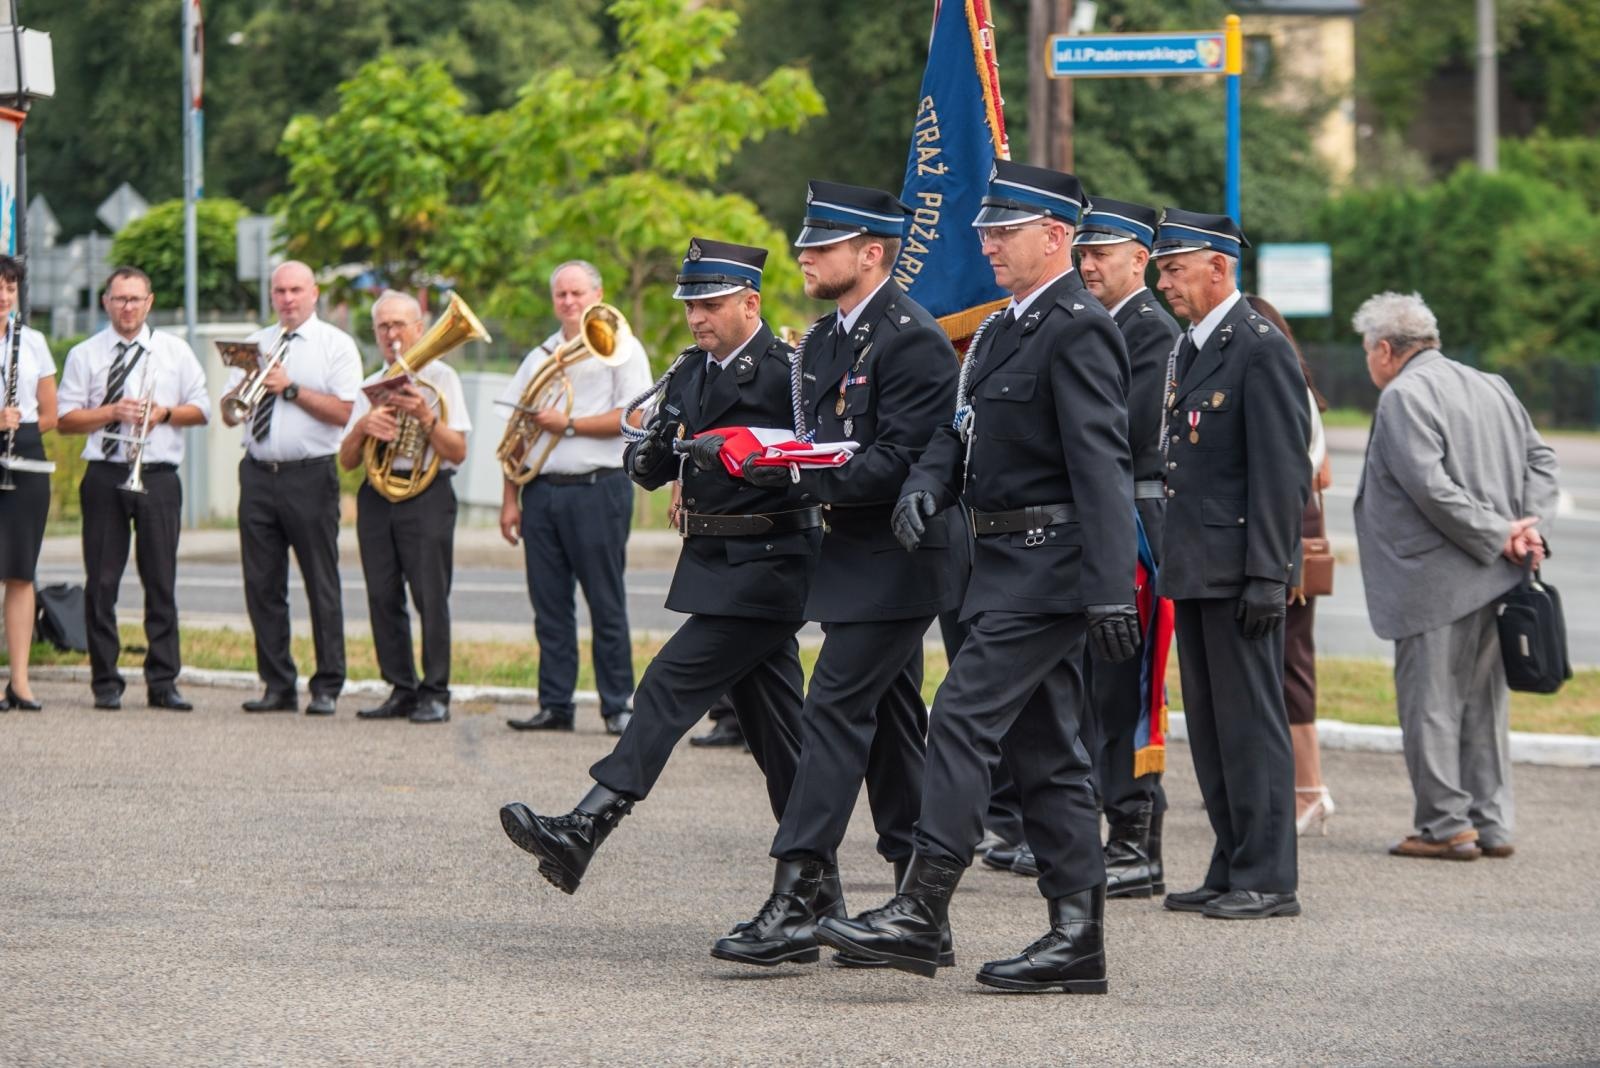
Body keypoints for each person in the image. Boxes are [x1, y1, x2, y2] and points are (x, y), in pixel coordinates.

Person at [816, 161, 1139, 993]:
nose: (988, 243)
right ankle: (1078, 939)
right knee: (1047, 752)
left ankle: (921, 909)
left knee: (959, 719)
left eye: (1005, 231)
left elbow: (1102, 467)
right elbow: (957, 433)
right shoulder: (1001, 329)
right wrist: (926, 485)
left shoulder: (1079, 326)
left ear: (1057, 237)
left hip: (1052, 566)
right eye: (987, 230)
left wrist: (1110, 587)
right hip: (998, 563)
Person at [499, 238, 820, 898]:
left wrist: (733, 457)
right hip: (714, 564)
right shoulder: (690, 370)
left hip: (769, 565)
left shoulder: (789, 372)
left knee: (668, 684)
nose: (697, 318)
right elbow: (651, 459)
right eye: (691, 306)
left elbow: (814, 462)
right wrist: (649, 457)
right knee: (781, 744)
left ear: (750, 303)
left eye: (710, 304)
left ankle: (588, 823)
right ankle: (815, 889)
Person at [711, 181, 962, 969]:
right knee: (891, 732)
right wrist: (764, 455)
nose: (804, 257)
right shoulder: (822, 341)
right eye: (804, 245)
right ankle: (919, 908)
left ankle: (797, 898)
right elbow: (810, 434)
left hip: (899, 556)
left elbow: (902, 460)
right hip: (847, 556)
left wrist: (799, 470)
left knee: (832, 712)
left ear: (871, 253)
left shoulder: (911, 337)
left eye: (821, 246)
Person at [1351, 291, 1558, 862]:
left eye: (1368, 352)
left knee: (1431, 706)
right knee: (1485, 707)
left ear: (1386, 350)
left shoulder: (1403, 396)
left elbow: (1432, 489)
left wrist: (1500, 532)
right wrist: (1527, 529)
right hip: (1499, 576)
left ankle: (1445, 827)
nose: (1370, 363)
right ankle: (1492, 824)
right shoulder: (1492, 384)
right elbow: (1542, 461)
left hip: (1433, 580)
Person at [1151, 209, 1310, 920]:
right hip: (1197, 566)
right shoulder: (1192, 348)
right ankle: (1232, 859)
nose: (1165, 283)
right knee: (1214, 731)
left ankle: (1269, 877)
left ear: (1219, 267)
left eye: (1174, 269)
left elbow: (1282, 474)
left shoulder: (1259, 348)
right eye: (1160, 270)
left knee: (1252, 728)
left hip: (1241, 570)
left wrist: (1269, 575)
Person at [1073, 197, 1182, 897]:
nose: (1086, 266)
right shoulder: (1100, 325)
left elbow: (1130, 429)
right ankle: (1094, 828)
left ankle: (1137, 837)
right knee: (1090, 690)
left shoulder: (1150, 331)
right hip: (1100, 517)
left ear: (1139, 260)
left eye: (1100, 255)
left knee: (1127, 690)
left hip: (1136, 524)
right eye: (1082, 254)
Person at [501, 261, 653, 737]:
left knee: (605, 603)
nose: (568, 302)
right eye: (561, 295)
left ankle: (616, 705)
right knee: (549, 606)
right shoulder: (540, 355)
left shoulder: (622, 348)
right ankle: (555, 704)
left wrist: (566, 425)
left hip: (597, 489)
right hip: (542, 493)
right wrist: (510, 500)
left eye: (577, 293)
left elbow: (636, 416)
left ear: (598, 293)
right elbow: (516, 433)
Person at [57, 267, 210, 711]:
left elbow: (201, 410)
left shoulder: (174, 352)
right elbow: (66, 420)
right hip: (105, 474)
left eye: (136, 299)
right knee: (102, 583)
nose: (128, 307)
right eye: (119, 299)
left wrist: (162, 414)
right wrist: (110, 412)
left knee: (161, 580)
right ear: (106, 302)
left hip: (158, 474)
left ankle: (163, 681)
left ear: (150, 301)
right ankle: (105, 681)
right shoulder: (85, 354)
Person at [220, 261, 362, 716]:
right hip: (258, 472)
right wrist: (237, 392)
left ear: (314, 293)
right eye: (279, 291)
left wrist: (291, 389)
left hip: (310, 475)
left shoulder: (335, 345)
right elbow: (229, 414)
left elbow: (346, 412)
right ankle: (277, 684)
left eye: (296, 290)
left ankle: (327, 685)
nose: (287, 299)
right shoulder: (256, 344)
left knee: (321, 582)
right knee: (262, 584)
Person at [338, 291, 472, 725]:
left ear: (420, 328)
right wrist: (363, 426)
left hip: (427, 494)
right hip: (378, 497)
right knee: (381, 596)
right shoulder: (373, 381)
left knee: (430, 597)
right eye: (383, 326)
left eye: (400, 324)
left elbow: (458, 452)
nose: (392, 334)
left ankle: (435, 692)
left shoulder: (442, 378)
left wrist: (427, 418)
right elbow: (347, 460)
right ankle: (400, 687)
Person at [1244, 294, 1336, 836]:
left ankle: (1308, 788)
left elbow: (1312, 473)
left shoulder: (1283, 384)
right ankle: (1287, 783)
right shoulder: (1295, 382)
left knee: (1289, 663)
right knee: (1279, 662)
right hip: (1296, 528)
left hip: (1290, 532)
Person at [0, 255, 57, 712]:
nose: (4, 295)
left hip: (26, 454)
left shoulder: (34, 341)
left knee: (20, 571)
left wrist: (22, 427)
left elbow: (51, 411)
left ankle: (20, 681)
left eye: (10, 286)